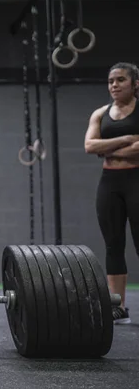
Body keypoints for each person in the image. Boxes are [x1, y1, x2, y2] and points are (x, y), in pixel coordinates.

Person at [84, 62, 139, 325]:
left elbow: (100, 148)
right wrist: (127, 139)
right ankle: (119, 307)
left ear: (135, 84)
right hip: (109, 183)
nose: (114, 85)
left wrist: (105, 149)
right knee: (113, 245)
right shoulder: (100, 114)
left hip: (136, 179)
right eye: (110, 81)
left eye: (120, 80)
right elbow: (89, 145)